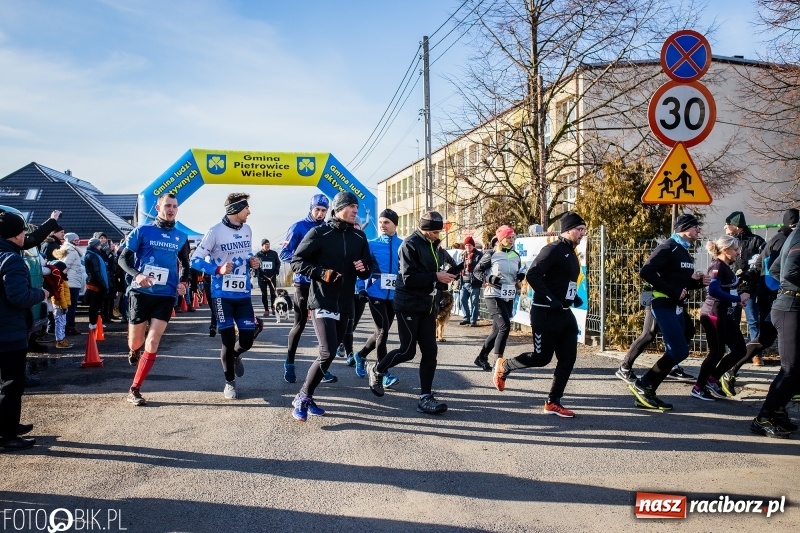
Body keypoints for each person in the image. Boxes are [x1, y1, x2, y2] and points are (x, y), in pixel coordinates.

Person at [491, 213, 586, 418]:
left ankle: (553, 401)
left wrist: (574, 297)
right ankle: (505, 366)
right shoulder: (552, 249)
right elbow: (533, 274)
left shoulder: (572, 252)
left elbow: (563, 281)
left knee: (568, 358)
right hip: (544, 313)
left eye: (584, 230)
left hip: (564, 314)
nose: (582, 234)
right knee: (542, 358)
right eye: (579, 230)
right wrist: (551, 299)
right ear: (568, 229)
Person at [289, 191, 371, 421]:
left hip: (345, 301)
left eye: (357, 207)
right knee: (327, 351)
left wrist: (363, 268)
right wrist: (320, 273)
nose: (356, 210)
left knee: (332, 351)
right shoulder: (320, 232)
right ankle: (302, 397)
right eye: (351, 206)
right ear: (339, 209)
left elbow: (368, 268)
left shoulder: (359, 237)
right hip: (322, 299)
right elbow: (297, 261)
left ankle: (308, 395)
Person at [367, 210, 456, 415]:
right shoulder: (409, 244)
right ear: (424, 229)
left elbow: (440, 271)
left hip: (427, 304)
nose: (437, 235)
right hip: (408, 304)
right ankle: (377, 369)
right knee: (408, 351)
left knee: (431, 351)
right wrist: (436, 276)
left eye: (438, 231)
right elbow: (408, 278)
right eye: (433, 231)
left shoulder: (435, 246)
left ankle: (425, 397)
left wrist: (450, 275)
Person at [626, 213, 707, 411]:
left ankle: (647, 388)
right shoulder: (668, 247)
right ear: (685, 228)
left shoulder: (684, 250)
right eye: (696, 227)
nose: (699, 230)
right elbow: (646, 271)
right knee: (679, 350)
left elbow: (680, 281)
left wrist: (696, 283)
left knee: (688, 333)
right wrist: (672, 291)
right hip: (662, 303)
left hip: (676, 305)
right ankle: (644, 385)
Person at [118, 193, 189, 406]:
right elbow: (122, 258)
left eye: (174, 206)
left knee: (153, 340)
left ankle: (135, 388)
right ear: (158, 207)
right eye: (167, 205)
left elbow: (185, 264)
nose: (171, 209)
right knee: (136, 341)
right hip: (140, 292)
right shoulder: (142, 231)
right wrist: (137, 275)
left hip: (165, 294)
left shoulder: (181, 236)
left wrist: (183, 283)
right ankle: (133, 350)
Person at [191, 193, 261, 400]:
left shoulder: (247, 230)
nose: (249, 211)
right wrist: (218, 269)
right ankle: (229, 382)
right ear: (235, 210)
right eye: (246, 208)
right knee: (228, 340)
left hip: (243, 294)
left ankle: (235, 356)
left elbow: (247, 255)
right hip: (222, 295)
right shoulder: (214, 232)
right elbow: (194, 260)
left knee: (247, 339)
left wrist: (253, 262)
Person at [723, 208, 799, 388]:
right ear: (794, 224)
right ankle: (729, 369)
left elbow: (757, 265)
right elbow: (772, 270)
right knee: (764, 339)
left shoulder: (773, 240)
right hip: (778, 299)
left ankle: (791, 384)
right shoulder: (785, 241)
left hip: (773, 297)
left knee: (766, 338)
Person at [0, 210, 48, 452]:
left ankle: (7, 426)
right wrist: (42, 293)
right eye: (22, 231)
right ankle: (7, 435)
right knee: (11, 385)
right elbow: (19, 297)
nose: (25, 235)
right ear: (15, 235)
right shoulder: (12, 260)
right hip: (8, 333)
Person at [279, 194, 334, 384]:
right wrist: (304, 261)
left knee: (323, 326)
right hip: (303, 282)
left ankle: (322, 368)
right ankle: (290, 362)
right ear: (311, 208)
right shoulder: (298, 227)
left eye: (324, 210)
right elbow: (284, 254)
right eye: (317, 209)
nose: (320, 214)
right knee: (300, 324)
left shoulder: (327, 229)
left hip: (321, 283)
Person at [750, 225, 799, 438]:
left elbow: (777, 270)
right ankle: (763, 418)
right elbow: (790, 271)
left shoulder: (794, 236)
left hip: (790, 305)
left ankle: (777, 412)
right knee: (791, 369)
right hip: (790, 308)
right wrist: (787, 292)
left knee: (796, 369)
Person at [690, 235, 748, 401]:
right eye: (735, 250)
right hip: (713, 315)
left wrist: (737, 301)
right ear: (725, 250)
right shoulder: (717, 265)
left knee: (739, 350)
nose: (738, 253)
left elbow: (727, 290)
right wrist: (738, 299)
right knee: (716, 352)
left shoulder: (726, 266)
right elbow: (714, 291)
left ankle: (712, 379)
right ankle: (698, 387)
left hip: (726, 315)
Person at [351, 209, 402, 388]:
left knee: (379, 332)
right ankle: (382, 372)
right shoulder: (371, 244)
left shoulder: (403, 245)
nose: (382, 225)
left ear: (395, 224)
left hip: (394, 296)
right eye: (380, 222)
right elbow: (360, 268)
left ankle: (361, 355)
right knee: (383, 331)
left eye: (386, 222)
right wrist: (360, 288)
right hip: (375, 294)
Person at [473, 226, 522, 371]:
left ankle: (481, 358)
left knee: (496, 331)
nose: (511, 240)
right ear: (501, 239)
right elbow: (477, 271)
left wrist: (520, 276)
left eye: (513, 237)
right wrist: (489, 278)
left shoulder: (515, 255)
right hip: (493, 294)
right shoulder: (491, 254)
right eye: (508, 237)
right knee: (505, 326)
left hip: (508, 295)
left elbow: (518, 271)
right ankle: (498, 363)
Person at [724, 211, 766, 365]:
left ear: (736, 226)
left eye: (727, 224)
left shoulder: (756, 241)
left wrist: (750, 277)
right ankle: (733, 353)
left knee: (753, 320)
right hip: (731, 287)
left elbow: (763, 260)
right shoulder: (728, 242)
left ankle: (755, 354)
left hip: (749, 288)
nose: (725, 227)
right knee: (732, 320)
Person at [60, 232, 86, 336]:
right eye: (75, 240)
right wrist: (64, 275)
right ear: (71, 241)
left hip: (71, 281)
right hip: (71, 282)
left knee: (68, 306)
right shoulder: (72, 251)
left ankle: (68, 326)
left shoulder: (68, 249)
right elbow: (65, 266)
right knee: (71, 306)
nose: (77, 242)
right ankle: (70, 326)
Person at [84, 238, 109, 335]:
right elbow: (96, 271)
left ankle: (96, 322)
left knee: (97, 304)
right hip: (95, 283)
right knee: (95, 305)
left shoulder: (92, 254)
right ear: (96, 245)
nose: (101, 246)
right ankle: (93, 323)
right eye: (99, 245)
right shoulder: (93, 255)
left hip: (95, 282)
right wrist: (103, 284)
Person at [459, 236, 483, 327]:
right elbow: (460, 266)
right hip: (464, 281)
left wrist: (472, 263)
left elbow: (481, 266)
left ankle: (473, 320)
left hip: (474, 282)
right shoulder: (463, 254)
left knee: (474, 302)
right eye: (466, 245)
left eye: (469, 245)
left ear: (473, 246)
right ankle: (466, 318)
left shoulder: (478, 255)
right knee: (462, 300)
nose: (468, 247)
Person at [254, 238, 281, 317]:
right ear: (262, 246)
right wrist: (257, 273)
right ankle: (266, 309)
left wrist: (276, 271)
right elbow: (256, 266)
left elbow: (278, 263)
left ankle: (273, 307)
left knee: (273, 293)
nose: (267, 247)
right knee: (264, 294)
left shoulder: (274, 253)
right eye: (266, 245)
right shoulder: (258, 255)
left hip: (272, 277)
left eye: (268, 245)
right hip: (262, 277)